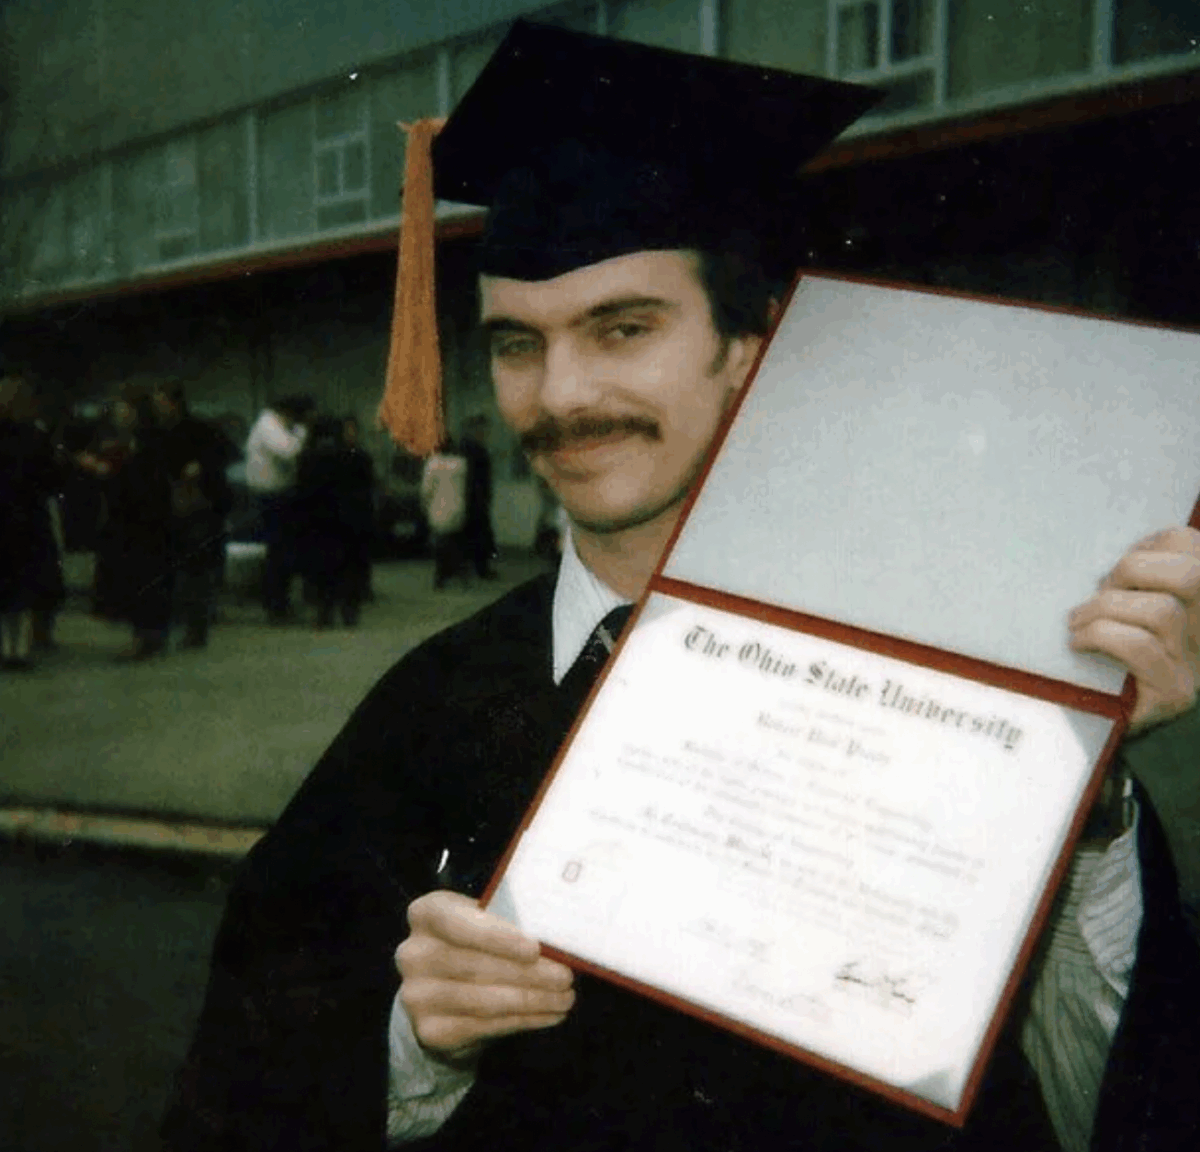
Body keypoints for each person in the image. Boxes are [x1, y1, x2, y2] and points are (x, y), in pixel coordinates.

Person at [162, 24, 1199, 1152]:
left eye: (624, 328)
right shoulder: (423, 714)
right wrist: (421, 1050)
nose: (562, 395)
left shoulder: (944, 685)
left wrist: (1080, 794)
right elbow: (245, 1090)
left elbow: (1105, 1097)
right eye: (517, 344)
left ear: (749, 345)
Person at [80, 388, 175, 659]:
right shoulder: (131, 441)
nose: (120, 417)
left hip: (142, 520)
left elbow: (141, 480)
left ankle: (145, 636)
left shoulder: (145, 442)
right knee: (142, 579)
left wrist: (105, 471)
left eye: (124, 411)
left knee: (141, 578)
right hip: (135, 519)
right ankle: (149, 634)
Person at [154, 380, 236, 649]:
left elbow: (228, 452)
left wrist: (201, 465)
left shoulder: (199, 429)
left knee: (196, 566)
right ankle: (186, 620)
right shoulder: (160, 432)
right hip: (174, 505)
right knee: (185, 566)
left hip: (201, 505)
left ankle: (196, 625)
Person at [0, 375, 62, 671]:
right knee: (22, 591)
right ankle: (19, 651)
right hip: (26, 520)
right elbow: (50, 479)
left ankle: (7, 648)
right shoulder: (35, 437)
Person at [294, 416, 375, 628]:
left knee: (323, 569)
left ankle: (324, 613)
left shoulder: (308, 458)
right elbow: (368, 488)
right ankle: (350, 614)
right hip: (353, 521)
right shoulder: (359, 456)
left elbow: (302, 492)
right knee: (351, 568)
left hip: (320, 522)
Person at [245, 395, 314, 623]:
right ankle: (276, 606)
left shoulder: (275, 425)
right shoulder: (269, 425)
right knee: (278, 553)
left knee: (282, 552)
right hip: (271, 496)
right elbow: (290, 451)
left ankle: (279, 602)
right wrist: (302, 432)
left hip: (279, 495)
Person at [420, 440, 469, 589]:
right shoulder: (461, 463)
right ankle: (457, 573)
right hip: (457, 507)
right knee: (455, 542)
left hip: (438, 508)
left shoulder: (433, 463)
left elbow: (427, 489)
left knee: (440, 545)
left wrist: (424, 505)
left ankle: (440, 577)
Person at [459, 414, 497, 579]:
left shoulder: (462, 448)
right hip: (476, 498)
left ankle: (470, 567)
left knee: (471, 533)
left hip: (468, 497)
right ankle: (481, 568)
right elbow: (481, 478)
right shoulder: (477, 450)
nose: (485, 433)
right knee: (479, 534)